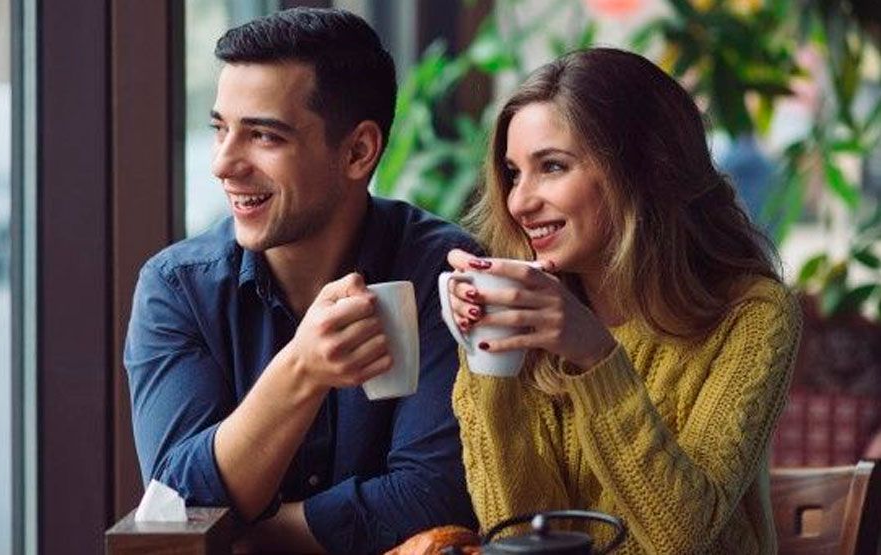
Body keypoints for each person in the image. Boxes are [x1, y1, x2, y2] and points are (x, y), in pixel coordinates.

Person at [124, 8, 479, 554]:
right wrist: (301, 370)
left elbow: (432, 497)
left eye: (263, 136)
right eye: (220, 129)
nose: (223, 164)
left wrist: (246, 533)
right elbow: (177, 509)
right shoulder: (178, 288)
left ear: (358, 151)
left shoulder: (443, 272)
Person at [445, 48, 802, 553]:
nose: (519, 201)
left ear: (642, 168)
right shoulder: (526, 319)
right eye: (513, 173)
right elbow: (520, 536)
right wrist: (491, 365)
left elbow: (681, 538)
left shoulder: (752, 315)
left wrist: (596, 357)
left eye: (552, 166)